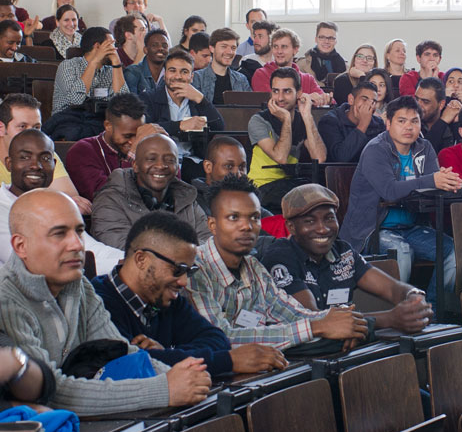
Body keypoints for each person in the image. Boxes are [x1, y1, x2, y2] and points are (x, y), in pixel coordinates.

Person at [0, 189, 210, 415]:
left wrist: (181, 377)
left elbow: (119, 349)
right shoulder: (6, 300)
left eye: (79, 231)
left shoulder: (79, 285)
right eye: (59, 234)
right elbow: (54, 393)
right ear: (21, 246)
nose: (77, 245)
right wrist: (164, 388)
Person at [93, 212, 288, 376]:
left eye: (190, 270)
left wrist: (170, 354)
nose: (184, 281)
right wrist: (226, 362)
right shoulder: (97, 303)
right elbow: (124, 367)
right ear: (141, 259)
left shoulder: (166, 299)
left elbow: (217, 340)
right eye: (178, 269)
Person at [186, 174, 369, 349]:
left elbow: (291, 313)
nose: (246, 226)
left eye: (254, 217)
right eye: (234, 217)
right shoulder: (193, 270)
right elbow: (221, 338)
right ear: (212, 225)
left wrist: (343, 322)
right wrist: (317, 327)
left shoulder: (254, 268)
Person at [261, 184, 434, 334]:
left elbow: (392, 289)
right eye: (310, 221)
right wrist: (389, 319)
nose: (322, 229)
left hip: (343, 348)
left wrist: (414, 298)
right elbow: (313, 319)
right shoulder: (280, 257)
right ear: (291, 227)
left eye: (329, 218)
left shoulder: (343, 252)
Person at [339, 96, 460, 302]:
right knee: (402, 253)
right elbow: (389, 191)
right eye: (401, 121)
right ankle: (399, 315)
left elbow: (431, 186)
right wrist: (432, 179)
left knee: (455, 252)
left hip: (411, 228)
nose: (409, 127)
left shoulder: (425, 148)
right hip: (373, 230)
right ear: (388, 124)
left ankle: (432, 313)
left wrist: (448, 182)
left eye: (414, 121)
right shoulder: (375, 149)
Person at [0, 130, 123, 275]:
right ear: (9, 163)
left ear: (54, 164)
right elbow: (31, 264)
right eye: (25, 157)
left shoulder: (58, 205)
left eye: (45, 158)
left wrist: (129, 260)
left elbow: (92, 249)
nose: (36, 165)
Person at [91, 134, 212, 249]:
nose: (160, 165)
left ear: (177, 168)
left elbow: (208, 243)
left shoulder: (186, 198)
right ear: (135, 165)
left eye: (170, 160)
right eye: (151, 159)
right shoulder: (109, 200)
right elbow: (125, 248)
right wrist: (185, 250)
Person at [247, 67, 327, 212]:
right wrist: (286, 119)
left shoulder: (301, 119)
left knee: (321, 192)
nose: (280, 98)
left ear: (299, 93)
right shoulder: (258, 120)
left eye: (287, 91)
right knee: (308, 201)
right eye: (275, 91)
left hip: (288, 184)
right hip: (261, 187)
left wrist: (307, 116)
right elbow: (281, 157)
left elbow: (320, 158)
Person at [0, 93, 92, 214]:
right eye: (22, 126)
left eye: (36, 127)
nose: (32, 134)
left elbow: (70, 199)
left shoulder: (45, 154)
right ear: (1, 129)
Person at [65, 93, 152, 201]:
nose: (134, 142)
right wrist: (132, 157)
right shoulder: (81, 152)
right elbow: (109, 196)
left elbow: (173, 188)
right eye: (127, 136)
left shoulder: (146, 148)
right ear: (108, 126)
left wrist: (163, 146)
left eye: (138, 135)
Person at [140, 50, 225, 148]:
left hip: (192, 159)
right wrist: (180, 125)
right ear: (164, 75)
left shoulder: (197, 99)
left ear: (191, 77)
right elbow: (145, 129)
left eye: (184, 72)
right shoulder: (148, 98)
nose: (178, 76)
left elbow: (219, 127)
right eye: (172, 70)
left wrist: (201, 99)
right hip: (161, 156)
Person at [49, 26, 128, 116]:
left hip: (99, 122)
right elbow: (76, 101)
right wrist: (94, 62)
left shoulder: (110, 71)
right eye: (111, 45)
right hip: (68, 120)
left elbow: (123, 105)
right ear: (97, 46)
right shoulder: (68, 66)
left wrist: (117, 64)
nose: (115, 50)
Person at [250, 28, 328, 104]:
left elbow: (326, 100)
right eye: (275, 46)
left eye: (284, 47)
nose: (279, 51)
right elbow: (275, 102)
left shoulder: (308, 79)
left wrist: (325, 99)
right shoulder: (261, 74)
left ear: (295, 49)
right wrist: (306, 99)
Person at [317, 81, 385, 163]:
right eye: (364, 99)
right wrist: (363, 124)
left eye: (373, 102)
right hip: (339, 174)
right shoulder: (329, 121)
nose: (369, 105)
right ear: (351, 100)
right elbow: (340, 158)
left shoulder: (378, 124)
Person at [192, 135, 250, 215]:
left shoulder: (250, 199)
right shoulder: (192, 203)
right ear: (208, 167)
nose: (238, 174)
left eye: (242, 167)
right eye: (229, 166)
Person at [191, 28, 251, 105]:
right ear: (212, 48)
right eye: (224, 46)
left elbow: (249, 109)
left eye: (233, 48)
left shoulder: (241, 80)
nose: (229, 52)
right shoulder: (197, 78)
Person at [123, 28, 169, 96]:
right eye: (154, 45)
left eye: (164, 46)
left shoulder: (173, 73)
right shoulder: (132, 72)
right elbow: (131, 103)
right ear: (145, 50)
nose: (161, 48)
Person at [298, 21, 346, 85]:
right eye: (322, 37)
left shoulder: (345, 65)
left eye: (331, 38)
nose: (326, 41)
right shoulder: (301, 65)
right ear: (316, 39)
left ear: (335, 41)